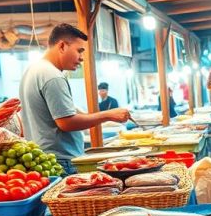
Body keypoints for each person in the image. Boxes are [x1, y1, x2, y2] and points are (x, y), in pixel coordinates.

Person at [19, 23, 130, 173]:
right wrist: (108, 115)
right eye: (79, 51)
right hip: (61, 160)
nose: (82, 58)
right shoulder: (52, 76)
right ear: (62, 46)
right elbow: (66, 123)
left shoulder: (33, 70)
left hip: (44, 159)